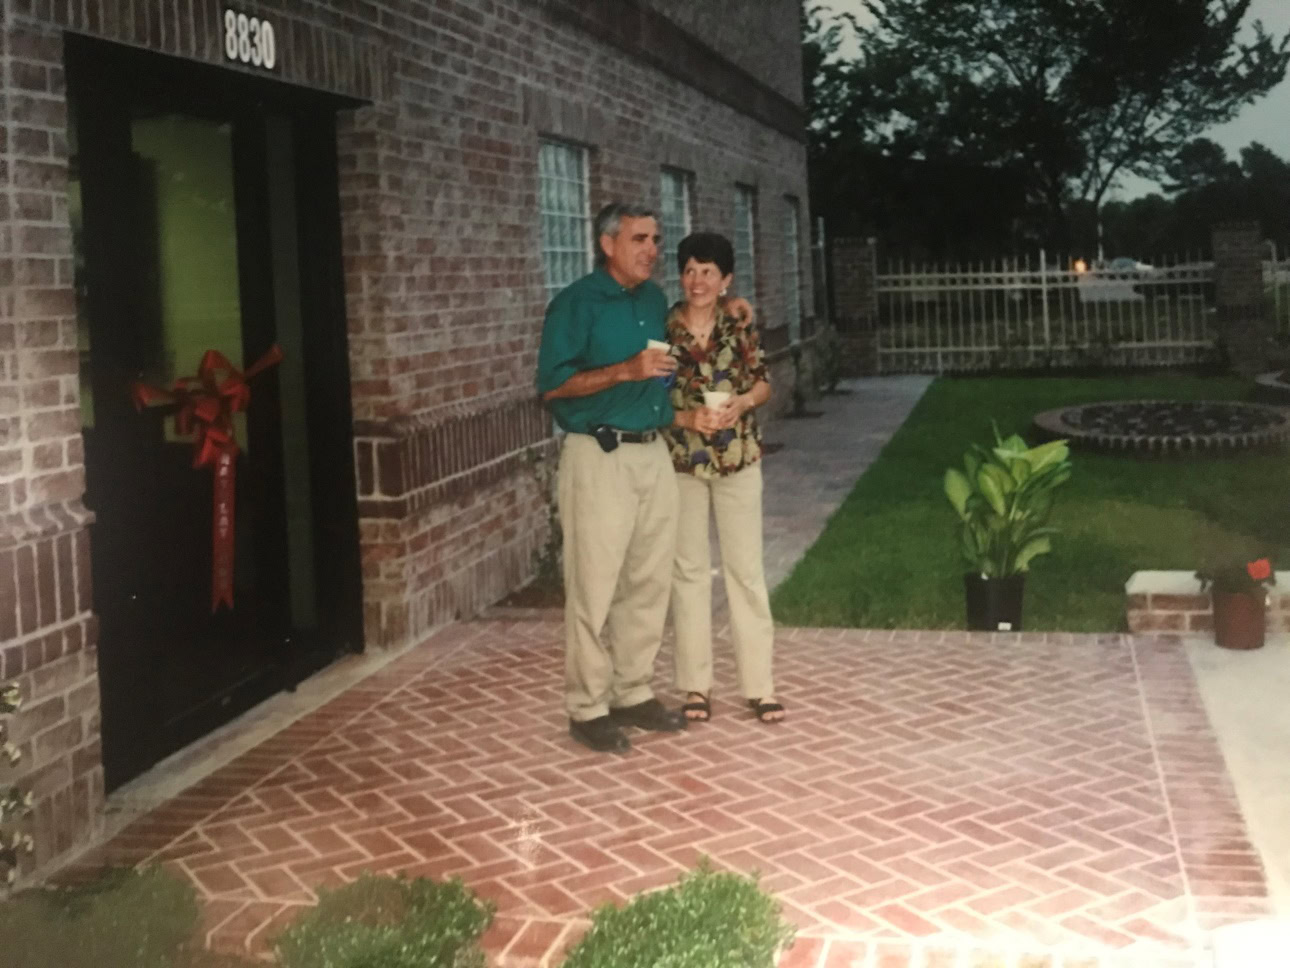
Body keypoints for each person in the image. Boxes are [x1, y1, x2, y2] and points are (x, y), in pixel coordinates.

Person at [536, 203, 754, 754]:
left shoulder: (655, 300)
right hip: (599, 454)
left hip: (654, 451)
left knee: (648, 580)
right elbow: (552, 388)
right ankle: (587, 707)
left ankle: (632, 691)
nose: (652, 250)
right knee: (595, 586)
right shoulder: (575, 304)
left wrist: (731, 303)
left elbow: (696, 313)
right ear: (607, 244)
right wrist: (623, 371)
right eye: (639, 239)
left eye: (656, 239)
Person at [665, 232, 784, 725]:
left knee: (745, 572)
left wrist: (742, 403)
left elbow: (764, 382)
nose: (698, 281)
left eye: (709, 272)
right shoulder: (663, 329)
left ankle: (760, 687)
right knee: (689, 574)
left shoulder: (738, 324)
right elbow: (652, 398)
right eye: (691, 270)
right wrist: (685, 418)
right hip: (682, 465)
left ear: (725, 280)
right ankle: (696, 686)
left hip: (738, 460)